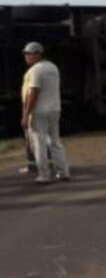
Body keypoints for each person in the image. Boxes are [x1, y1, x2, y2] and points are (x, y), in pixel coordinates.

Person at [21, 41, 71, 184]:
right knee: (55, 142)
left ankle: (44, 175)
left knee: (39, 143)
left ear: (38, 54)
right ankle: (63, 172)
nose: (26, 56)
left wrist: (26, 114)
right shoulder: (53, 67)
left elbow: (33, 93)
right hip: (54, 109)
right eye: (25, 54)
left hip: (39, 111)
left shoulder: (35, 70)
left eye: (29, 53)